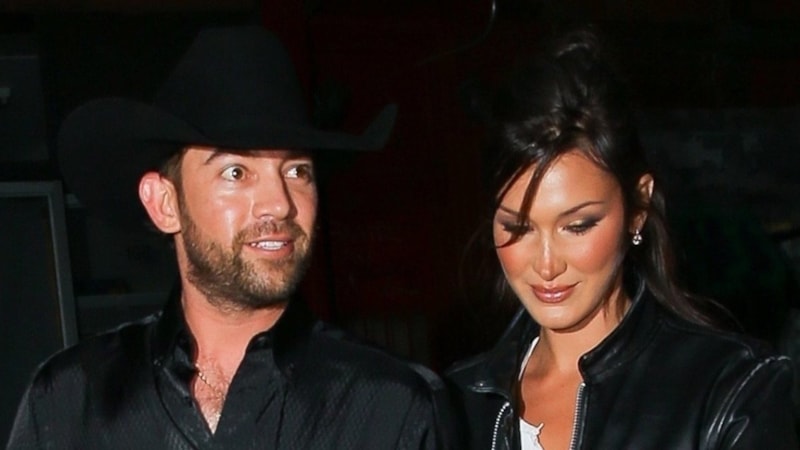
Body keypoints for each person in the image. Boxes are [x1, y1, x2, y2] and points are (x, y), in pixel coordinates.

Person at [7, 25, 457, 449]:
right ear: (165, 203)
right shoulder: (73, 399)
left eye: (297, 171)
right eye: (236, 173)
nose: (279, 203)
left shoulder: (390, 406)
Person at [445, 27, 798, 449]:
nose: (546, 264)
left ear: (638, 208)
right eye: (518, 228)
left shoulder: (729, 394)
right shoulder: (454, 407)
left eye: (577, 226)